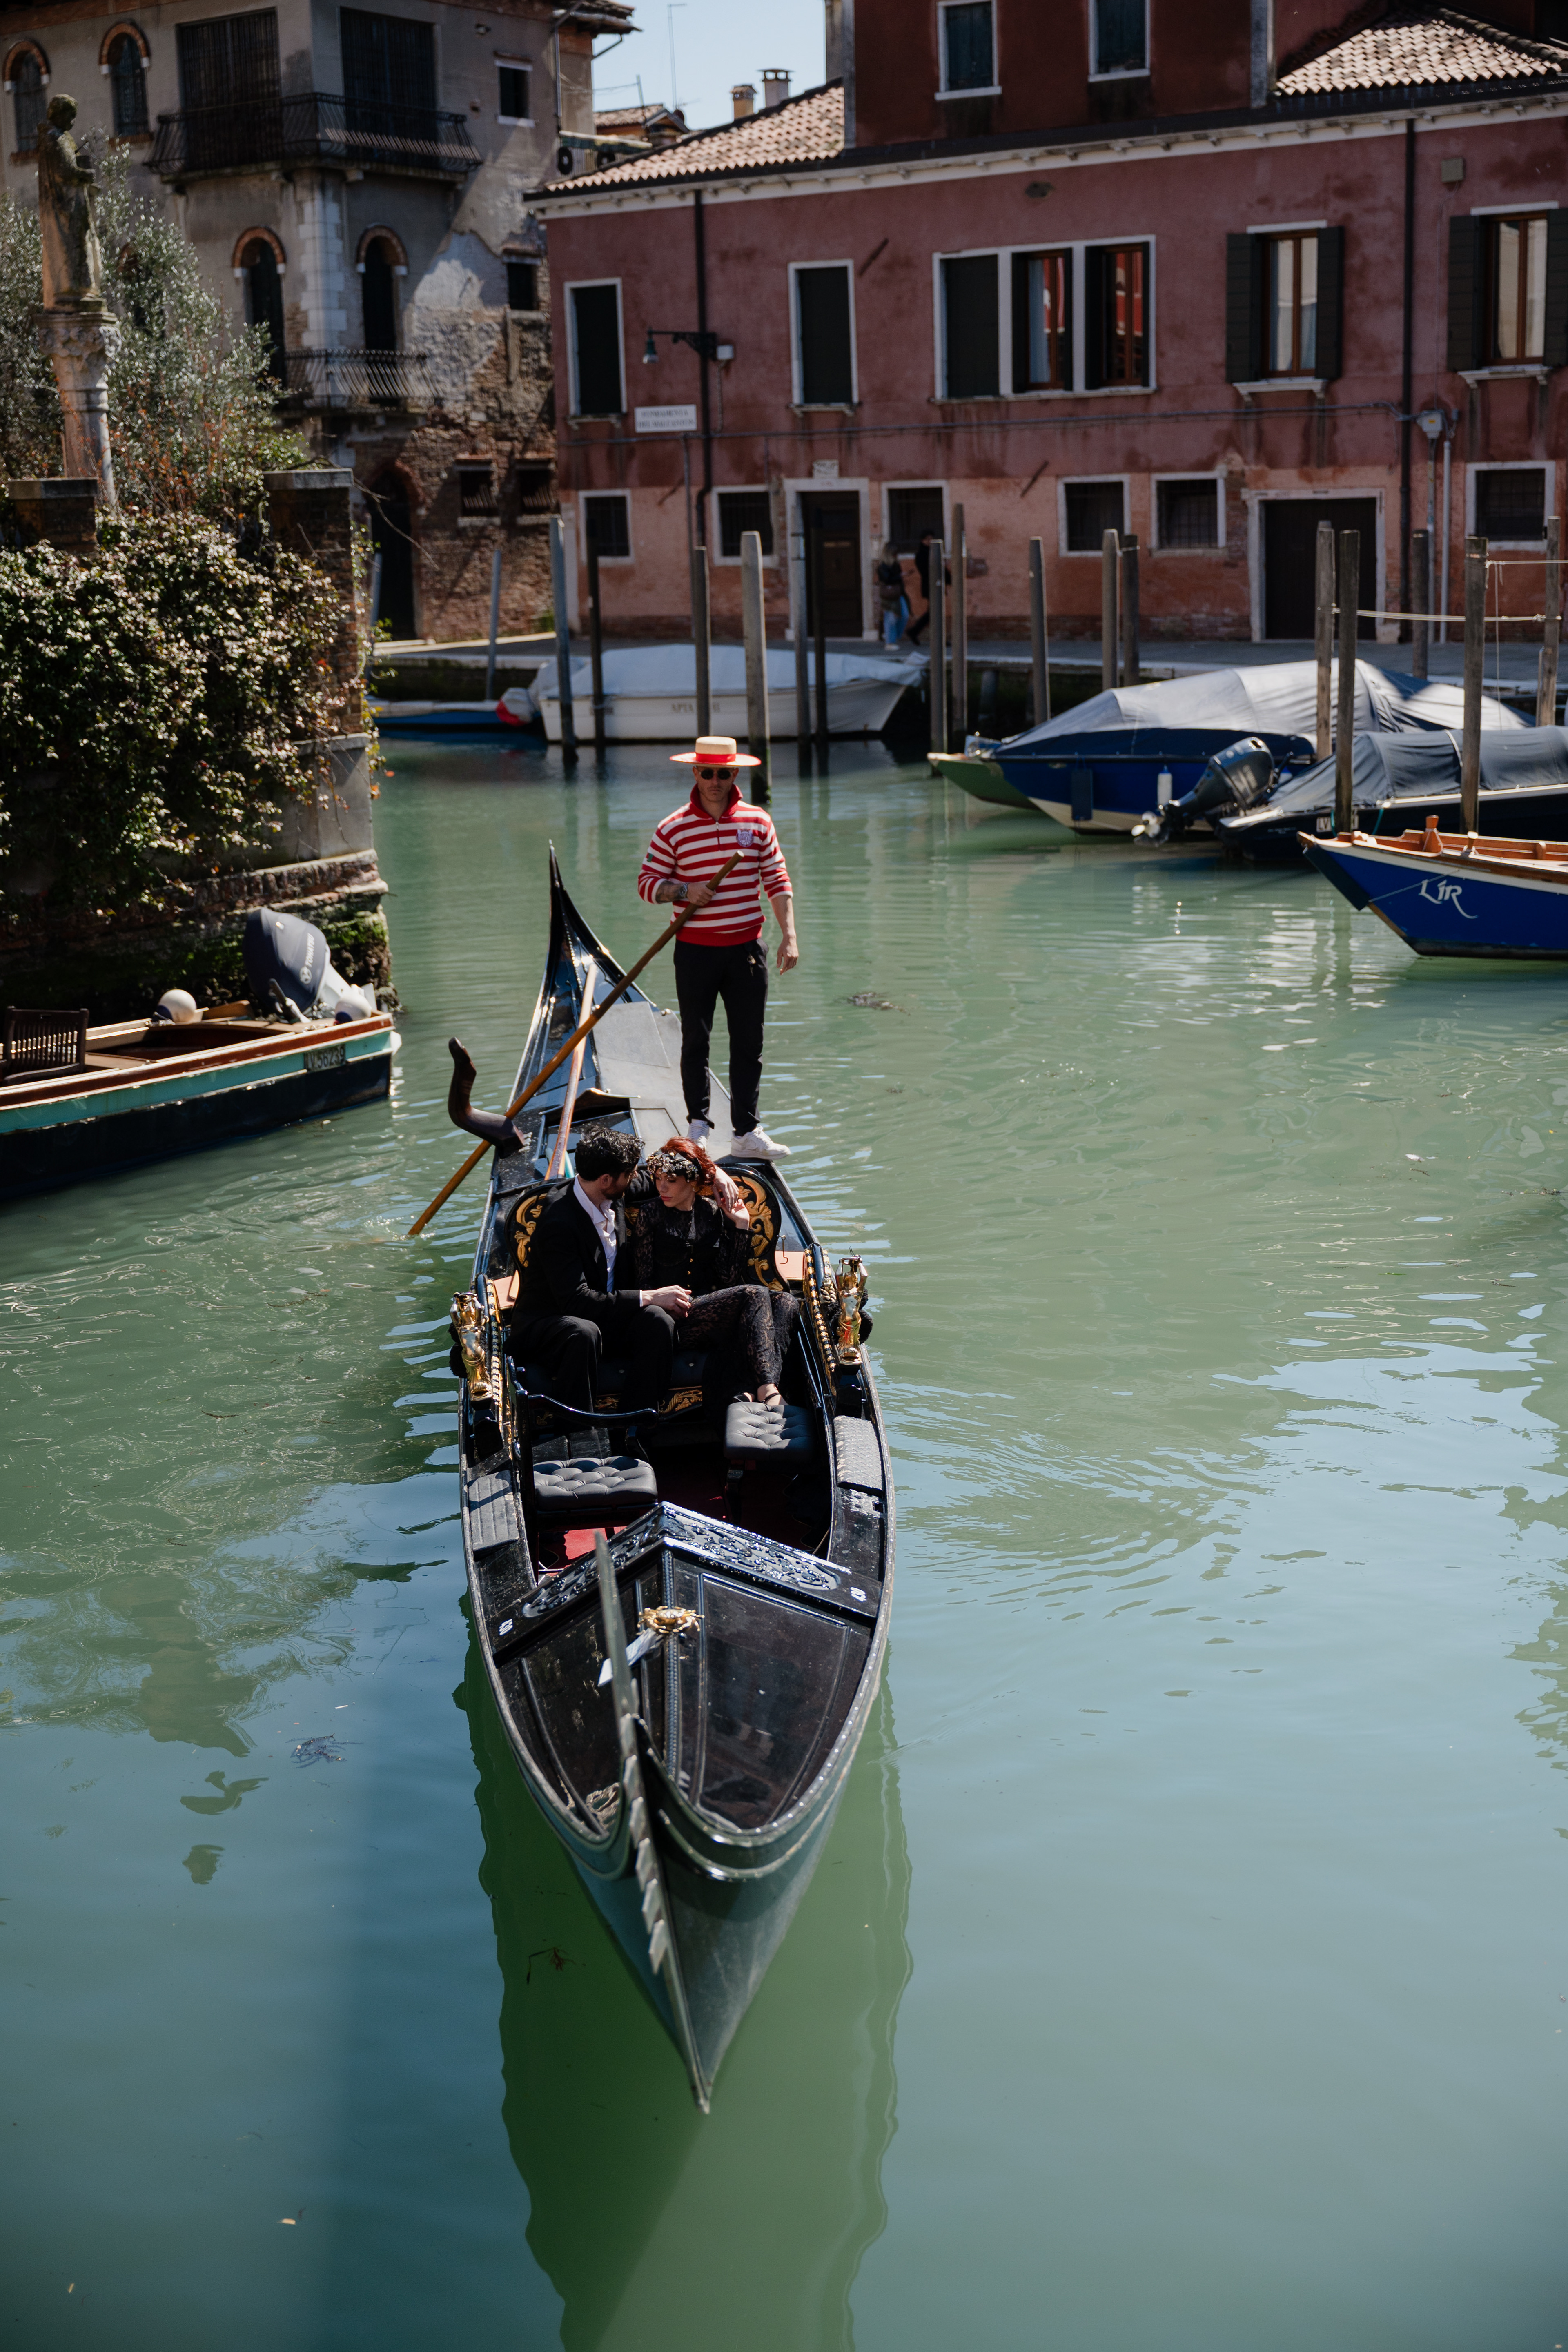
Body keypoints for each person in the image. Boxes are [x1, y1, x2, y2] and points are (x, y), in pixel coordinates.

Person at [637, 735, 798, 1161]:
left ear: (735, 774)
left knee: (750, 1042)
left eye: (723, 773)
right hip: (695, 950)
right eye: (707, 772)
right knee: (696, 1040)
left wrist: (790, 935)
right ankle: (698, 1125)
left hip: (746, 949)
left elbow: (778, 880)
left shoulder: (758, 822)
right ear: (695, 773)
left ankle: (746, 1131)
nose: (714, 780)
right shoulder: (672, 828)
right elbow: (647, 884)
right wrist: (683, 890)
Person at [618, 1137, 797, 1409]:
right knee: (755, 1293)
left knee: (787, 1302)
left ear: (692, 1182)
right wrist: (660, 1300)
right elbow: (643, 1280)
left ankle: (755, 1386)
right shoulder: (650, 1214)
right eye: (658, 1179)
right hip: (669, 1318)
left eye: (671, 1180)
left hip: (709, 1309)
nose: (662, 1187)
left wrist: (741, 1224)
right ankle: (767, 1389)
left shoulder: (712, 1212)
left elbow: (727, 1277)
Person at [904, 529, 948, 646]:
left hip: (936, 585)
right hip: (931, 586)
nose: (930, 541)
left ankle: (916, 632)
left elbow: (941, 569)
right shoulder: (922, 555)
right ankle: (918, 632)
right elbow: (928, 571)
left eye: (932, 539)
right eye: (928, 539)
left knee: (934, 612)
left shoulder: (933, 552)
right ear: (923, 540)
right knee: (935, 612)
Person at [875, 539, 909, 649]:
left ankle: (894, 637)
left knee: (905, 616)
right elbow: (887, 580)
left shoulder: (896, 564)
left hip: (899, 594)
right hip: (889, 595)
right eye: (895, 553)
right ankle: (890, 642)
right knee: (891, 619)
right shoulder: (883, 567)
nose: (896, 555)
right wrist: (901, 576)